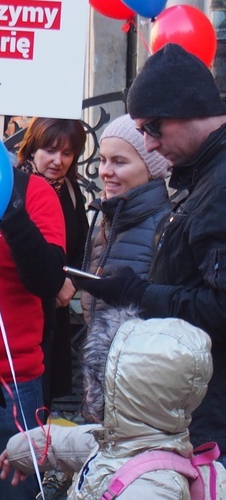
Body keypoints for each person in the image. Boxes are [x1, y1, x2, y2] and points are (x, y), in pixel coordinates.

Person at [75, 43, 226, 466]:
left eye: (153, 128)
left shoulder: (219, 184)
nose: (150, 144)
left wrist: (141, 293)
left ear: (190, 109)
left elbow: (222, 308)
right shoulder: (204, 177)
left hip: (213, 418)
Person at [0, 309, 226, 499]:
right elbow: (68, 443)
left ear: (123, 392)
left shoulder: (153, 488)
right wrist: (20, 451)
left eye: (98, 380)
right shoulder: (125, 441)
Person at [0, 166, 67, 500]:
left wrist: (11, 211)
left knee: (9, 492)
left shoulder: (33, 191)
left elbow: (48, 280)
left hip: (12, 380)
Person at [16, 117, 89, 407]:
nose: (58, 160)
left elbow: (78, 245)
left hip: (57, 305)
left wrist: (69, 280)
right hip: (26, 304)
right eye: (50, 150)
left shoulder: (71, 191)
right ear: (33, 149)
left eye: (67, 153)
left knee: (47, 389)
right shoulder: (16, 186)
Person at [80, 114, 170, 324]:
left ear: (150, 169)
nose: (105, 172)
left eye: (119, 162)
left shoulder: (166, 228)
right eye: (102, 160)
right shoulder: (106, 221)